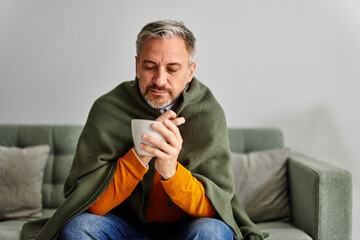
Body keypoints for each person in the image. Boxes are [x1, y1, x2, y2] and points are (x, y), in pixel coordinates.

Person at [22, 20, 265, 240]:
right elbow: (90, 204)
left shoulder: (208, 112)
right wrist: (141, 155)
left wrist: (170, 170)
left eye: (172, 69)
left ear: (190, 72)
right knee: (77, 229)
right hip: (123, 225)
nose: (160, 80)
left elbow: (213, 208)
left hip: (187, 227)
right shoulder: (108, 108)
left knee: (212, 231)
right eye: (150, 66)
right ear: (137, 65)